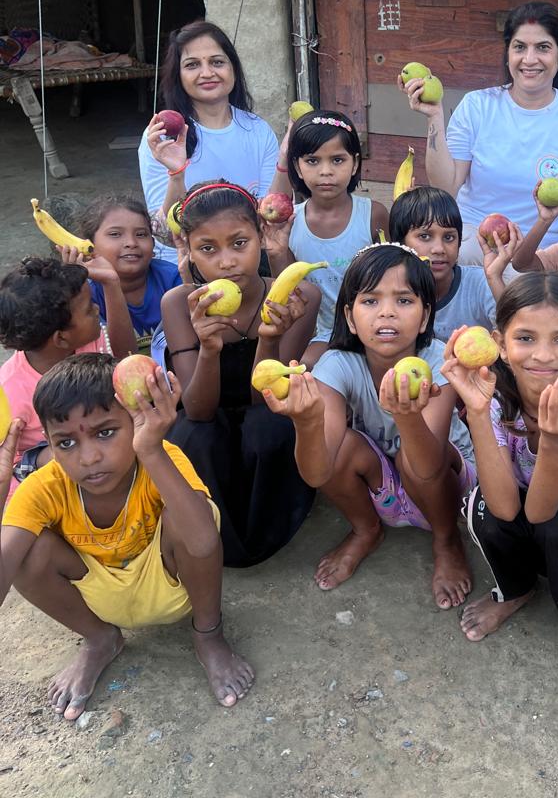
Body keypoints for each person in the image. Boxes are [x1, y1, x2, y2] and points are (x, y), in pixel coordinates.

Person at [0, 354, 253, 718]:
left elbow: (202, 542)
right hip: (98, 597)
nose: (88, 458)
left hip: (172, 585)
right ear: (48, 444)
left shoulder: (160, 457)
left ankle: (208, 634)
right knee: (25, 550)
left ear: (135, 420)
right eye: (66, 443)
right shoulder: (43, 488)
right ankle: (100, 639)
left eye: (105, 433)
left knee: (193, 513)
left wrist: (150, 449)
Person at [442, 273, 558, 685]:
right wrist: (477, 411)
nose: (543, 355)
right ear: (500, 344)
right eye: (525, 338)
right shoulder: (494, 395)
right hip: (532, 523)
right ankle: (516, 588)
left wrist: (556, 441)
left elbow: (543, 511)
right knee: (478, 501)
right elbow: (504, 507)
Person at [266, 244, 476, 608]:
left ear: (425, 316)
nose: (387, 312)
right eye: (370, 301)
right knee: (338, 446)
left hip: (447, 489)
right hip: (386, 483)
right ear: (350, 317)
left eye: (404, 301)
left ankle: (446, 540)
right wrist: (306, 422)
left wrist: (407, 417)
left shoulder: (438, 363)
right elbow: (318, 473)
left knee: (413, 458)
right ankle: (366, 529)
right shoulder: (337, 364)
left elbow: (428, 468)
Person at [160, 181, 319, 567]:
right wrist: (209, 349)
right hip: (206, 417)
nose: (226, 261)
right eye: (208, 249)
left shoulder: (298, 297)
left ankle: (266, 524)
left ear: (261, 236)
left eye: (239, 243)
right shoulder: (179, 304)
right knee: (192, 434)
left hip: (263, 412)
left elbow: (265, 398)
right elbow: (197, 410)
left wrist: (269, 338)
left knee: (269, 426)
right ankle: (212, 529)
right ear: (189, 252)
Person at [397, 1, 558, 264]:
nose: (529, 59)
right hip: (475, 249)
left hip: (543, 256)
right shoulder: (476, 106)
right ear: (508, 54)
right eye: (519, 47)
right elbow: (446, 188)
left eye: (543, 47)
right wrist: (434, 117)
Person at [138, 21, 290, 264]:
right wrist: (176, 175)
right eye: (192, 65)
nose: (207, 73)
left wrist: (285, 161)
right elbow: (165, 234)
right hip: (183, 268)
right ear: (178, 75)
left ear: (233, 68)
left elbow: (270, 218)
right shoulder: (162, 137)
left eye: (217, 62)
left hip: (244, 266)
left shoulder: (258, 130)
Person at [268, 113, 388, 366]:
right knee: (305, 366)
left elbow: (393, 276)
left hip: (371, 326)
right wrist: (276, 253)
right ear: (297, 167)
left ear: (354, 164)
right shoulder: (291, 222)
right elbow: (290, 291)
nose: (325, 171)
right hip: (316, 333)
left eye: (337, 160)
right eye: (312, 161)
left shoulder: (372, 215)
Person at [0, 257, 107, 496]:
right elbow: (8, 465)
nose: (97, 310)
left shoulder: (92, 341)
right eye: (89, 309)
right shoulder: (10, 391)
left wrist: (112, 286)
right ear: (61, 338)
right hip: (49, 481)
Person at [388, 187, 513, 342]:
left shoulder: (482, 284)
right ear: (400, 242)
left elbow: (516, 332)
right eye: (425, 236)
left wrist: (494, 278)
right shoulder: (386, 288)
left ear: (459, 243)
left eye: (449, 237)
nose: (439, 249)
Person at [72, 194, 182, 356]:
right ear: (89, 246)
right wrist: (110, 283)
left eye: (141, 234)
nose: (131, 242)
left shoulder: (173, 279)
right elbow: (120, 357)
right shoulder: (86, 294)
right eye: (115, 234)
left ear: (153, 244)